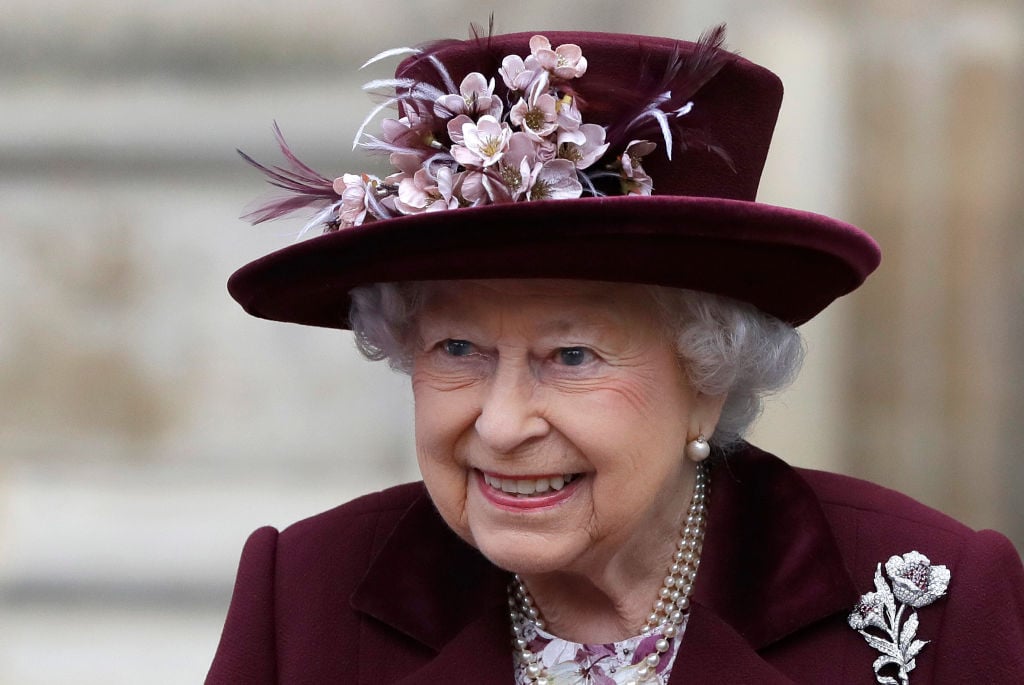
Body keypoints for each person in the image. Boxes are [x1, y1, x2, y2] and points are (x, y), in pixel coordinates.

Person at [207, 27, 1024, 684]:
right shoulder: (306, 594)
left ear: (710, 380)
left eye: (571, 354)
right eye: (457, 347)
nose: (500, 423)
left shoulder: (932, 598)